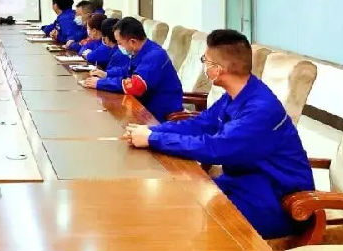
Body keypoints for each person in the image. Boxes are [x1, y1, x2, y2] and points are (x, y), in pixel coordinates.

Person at [124, 29, 315, 239]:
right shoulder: (237, 95)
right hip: (244, 183)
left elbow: (215, 148)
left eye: (205, 61)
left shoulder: (260, 109)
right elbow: (200, 124)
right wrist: (152, 131)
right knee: (179, 198)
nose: (204, 65)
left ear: (218, 69)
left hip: (278, 201)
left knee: (193, 222)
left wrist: (154, 138)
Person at [83, 17, 182, 122]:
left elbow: (135, 86)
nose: (119, 47)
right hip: (145, 106)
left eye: (120, 43)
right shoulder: (143, 50)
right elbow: (128, 70)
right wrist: (106, 74)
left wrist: (100, 83)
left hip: (160, 114)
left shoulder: (154, 55)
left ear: (132, 42)